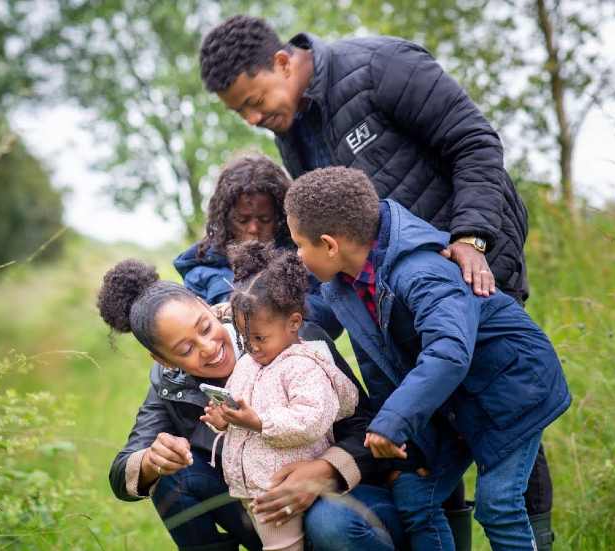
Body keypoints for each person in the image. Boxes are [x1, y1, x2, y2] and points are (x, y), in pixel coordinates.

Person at [199, 17, 555, 548]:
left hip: (468, 270)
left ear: (280, 62)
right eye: (239, 112)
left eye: (254, 100)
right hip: (380, 298)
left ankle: (534, 535)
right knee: (429, 430)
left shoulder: (378, 67)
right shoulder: (292, 130)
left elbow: (474, 143)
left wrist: (472, 237)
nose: (253, 118)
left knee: (494, 407)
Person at [284, 166, 571, 550]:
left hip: (512, 389)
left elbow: (449, 351)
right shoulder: (345, 283)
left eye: (299, 245)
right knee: (416, 496)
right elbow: (377, 361)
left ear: (330, 244)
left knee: (498, 505)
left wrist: (393, 421)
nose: (299, 257)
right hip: (450, 400)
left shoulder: (420, 269)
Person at [98, 259, 407, 551]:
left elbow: (365, 425)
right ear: (164, 360)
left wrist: (324, 471)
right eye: (186, 348)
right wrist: (152, 460)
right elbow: (120, 473)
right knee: (171, 480)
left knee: (329, 523)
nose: (208, 348)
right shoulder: (169, 385)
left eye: (205, 327)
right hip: (265, 511)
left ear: (207, 307)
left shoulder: (288, 335)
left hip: (349, 498)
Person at [199, 242, 359, 551]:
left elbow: (310, 419)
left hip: (284, 482)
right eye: (245, 338)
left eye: (260, 338)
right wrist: (224, 419)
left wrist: (259, 422)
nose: (252, 346)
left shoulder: (302, 365)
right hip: (254, 482)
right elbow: (240, 407)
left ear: (294, 323)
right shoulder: (248, 364)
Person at [173, 153, 340, 337]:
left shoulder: (302, 255)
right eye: (242, 220)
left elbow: (332, 316)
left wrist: (274, 304)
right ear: (225, 219)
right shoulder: (202, 268)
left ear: (280, 217)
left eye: (264, 219)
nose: (253, 228)